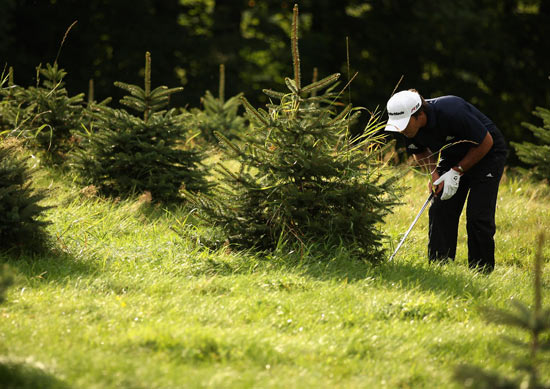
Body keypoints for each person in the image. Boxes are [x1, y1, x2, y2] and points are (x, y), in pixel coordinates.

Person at [385, 90, 508, 273]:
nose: (401, 129)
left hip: (487, 153)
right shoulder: (407, 126)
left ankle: (481, 271)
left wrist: (457, 171)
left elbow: (486, 142)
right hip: (452, 156)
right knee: (440, 206)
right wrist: (434, 175)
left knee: (478, 215)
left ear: (419, 115)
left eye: (404, 124)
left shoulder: (452, 111)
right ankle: (439, 267)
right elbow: (420, 152)